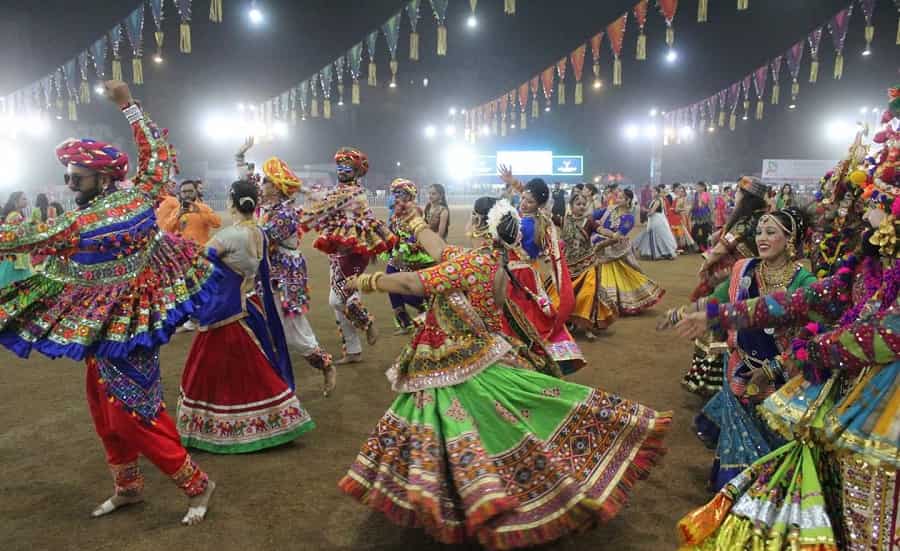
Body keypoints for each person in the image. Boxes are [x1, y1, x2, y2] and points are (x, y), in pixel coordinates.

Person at [339, 197, 671, 549]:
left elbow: (411, 284)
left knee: (462, 426)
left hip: (457, 366)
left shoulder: (470, 263)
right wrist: (418, 223)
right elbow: (441, 251)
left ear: (478, 224)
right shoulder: (491, 261)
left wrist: (365, 280)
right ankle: (465, 492)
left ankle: (477, 498)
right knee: (488, 424)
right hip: (471, 358)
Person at [672, 95, 900, 549]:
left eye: (872, 204)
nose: (856, 214)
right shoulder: (862, 267)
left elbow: (884, 336)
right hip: (840, 392)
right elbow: (794, 303)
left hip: (881, 410)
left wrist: (799, 356)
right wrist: (719, 313)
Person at [0, 81, 215, 525]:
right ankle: (128, 487)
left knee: (133, 414)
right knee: (103, 408)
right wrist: (129, 107)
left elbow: (22, 237)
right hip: (106, 325)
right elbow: (158, 158)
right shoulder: (140, 195)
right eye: (67, 177)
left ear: (101, 178)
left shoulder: (86, 220)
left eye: (76, 178)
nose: (70, 185)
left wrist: (128, 107)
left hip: (129, 326)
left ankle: (198, 484)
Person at [675, 208, 816, 491]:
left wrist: (773, 368)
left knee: (773, 436)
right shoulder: (744, 270)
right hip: (738, 369)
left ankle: (763, 492)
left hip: (780, 378)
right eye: (760, 232)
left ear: (790, 239)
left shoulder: (805, 283)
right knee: (737, 434)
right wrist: (697, 312)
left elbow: (811, 336)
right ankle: (732, 488)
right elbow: (718, 301)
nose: (761, 239)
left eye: (771, 233)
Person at [177, 180, 314, 453]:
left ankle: (222, 427)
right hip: (251, 308)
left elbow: (196, 263)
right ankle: (275, 419)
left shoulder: (228, 236)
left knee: (211, 371)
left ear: (231, 203)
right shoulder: (259, 233)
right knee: (253, 369)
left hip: (224, 312)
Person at [235, 138, 335, 394]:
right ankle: (270, 383)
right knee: (261, 324)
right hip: (266, 272)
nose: (262, 184)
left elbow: (262, 237)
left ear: (277, 188)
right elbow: (246, 186)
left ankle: (323, 363)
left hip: (285, 274)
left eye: (267, 181)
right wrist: (240, 157)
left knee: (291, 328)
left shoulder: (285, 214)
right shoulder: (265, 207)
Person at [301, 147, 396, 363]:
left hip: (352, 254)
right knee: (345, 301)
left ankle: (366, 322)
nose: (342, 170)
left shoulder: (352, 192)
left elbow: (323, 202)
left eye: (348, 167)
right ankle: (353, 351)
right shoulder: (341, 190)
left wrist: (297, 188)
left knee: (337, 300)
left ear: (356, 171)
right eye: (340, 166)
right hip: (338, 254)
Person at [498, 166, 585, 375]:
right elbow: (525, 194)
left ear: (538, 205)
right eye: (523, 198)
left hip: (521, 277)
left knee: (520, 316)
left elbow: (553, 256)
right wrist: (513, 182)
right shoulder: (533, 217)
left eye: (529, 201)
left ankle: (525, 358)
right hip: (515, 273)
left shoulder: (535, 224)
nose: (523, 203)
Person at [691, 176, 769, 301]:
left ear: (745, 197)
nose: (735, 194)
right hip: (761, 272)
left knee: (710, 300)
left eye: (738, 191)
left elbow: (720, 250)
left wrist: (705, 265)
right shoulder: (765, 217)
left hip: (738, 272)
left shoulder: (744, 223)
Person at [558, 184, 618, 340]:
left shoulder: (589, 221)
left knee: (588, 293)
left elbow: (601, 230)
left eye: (584, 204)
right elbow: (543, 215)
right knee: (568, 295)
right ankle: (570, 321)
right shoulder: (564, 221)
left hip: (588, 263)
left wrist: (612, 235)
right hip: (568, 266)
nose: (581, 207)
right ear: (570, 206)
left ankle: (587, 327)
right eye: (578, 204)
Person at [594, 189, 665, 315]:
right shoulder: (609, 209)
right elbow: (593, 217)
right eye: (618, 196)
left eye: (621, 198)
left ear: (628, 201)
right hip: (599, 247)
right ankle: (600, 303)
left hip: (616, 250)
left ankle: (617, 303)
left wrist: (602, 239)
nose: (617, 199)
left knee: (623, 275)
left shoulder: (628, 218)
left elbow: (618, 236)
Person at [383, 178, 434, 335]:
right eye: (395, 193)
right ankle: (405, 321)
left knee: (405, 287)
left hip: (411, 254)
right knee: (390, 284)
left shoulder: (415, 209)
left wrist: (405, 249)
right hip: (397, 253)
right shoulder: (396, 211)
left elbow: (417, 231)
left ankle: (423, 308)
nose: (396, 196)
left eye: (400, 193)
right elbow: (395, 232)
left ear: (409, 194)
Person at [158, 179, 221, 246]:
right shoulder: (176, 211)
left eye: (190, 191)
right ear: (180, 193)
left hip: (201, 250)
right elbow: (166, 231)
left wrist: (200, 212)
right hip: (184, 252)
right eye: (184, 192)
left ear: (196, 192)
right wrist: (177, 216)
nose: (187, 194)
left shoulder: (204, 208)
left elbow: (217, 223)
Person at [633, 184, 678, 260]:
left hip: (657, 222)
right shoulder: (658, 200)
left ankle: (664, 252)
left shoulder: (658, 201)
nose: (652, 193)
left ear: (657, 192)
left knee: (658, 237)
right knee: (660, 237)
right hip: (657, 221)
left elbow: (652, 212)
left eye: (654, 192)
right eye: (652, 192)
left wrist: (645, 210)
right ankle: (664, 252)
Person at [0, 192, 32, 287]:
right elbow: (20, 235)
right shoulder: (15, 215)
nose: (26, 201)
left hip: (16, 253)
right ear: (15, 201)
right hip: (17, 255)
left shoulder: (16, 214)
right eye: (23, 199)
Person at [690, 182, 713, 251]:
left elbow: (709, 205)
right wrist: (689, 212)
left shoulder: (707, 194)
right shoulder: (696, 194)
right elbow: (694, 204)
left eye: (698, 187)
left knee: (705, 232)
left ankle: (704, 247)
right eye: (696, 187)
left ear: (703, 187)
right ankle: (699, 246)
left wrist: (712, 216)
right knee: (694, 231)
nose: (696, 188)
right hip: (696, 215)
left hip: (705, 215)